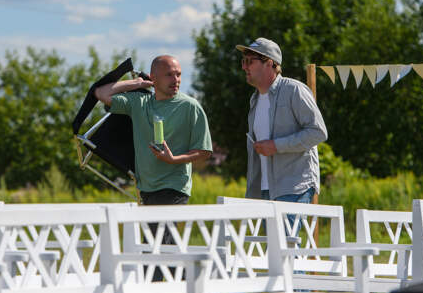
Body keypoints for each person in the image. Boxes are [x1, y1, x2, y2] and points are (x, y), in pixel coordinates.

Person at [95, 55, 213, 206]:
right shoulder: (138, 102)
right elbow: (101, 93)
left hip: (174, 187)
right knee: (153, 231)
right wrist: (135, 83)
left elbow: (204, 151)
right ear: (154, 78)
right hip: (145, 188)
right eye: (169, 75)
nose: (175, 79)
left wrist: (174, 160)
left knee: (163, 231)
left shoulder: (190, 106)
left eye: (178, 74)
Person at [236, 37, 327, 207]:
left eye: (249, 61)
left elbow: (318, 132)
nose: (244, 67)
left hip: (294, 187)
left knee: (284, 235)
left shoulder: (294, 90)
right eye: (243, 61)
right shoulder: (254, 100)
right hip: (263, 190)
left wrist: (276, 145)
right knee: (270, 236)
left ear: (269, 63)